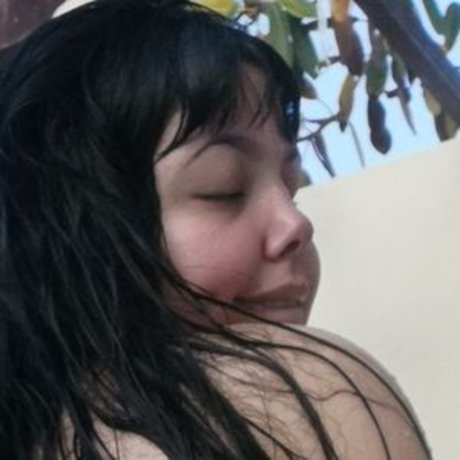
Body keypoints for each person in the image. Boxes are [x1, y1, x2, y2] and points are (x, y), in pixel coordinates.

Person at [0, 0, 431, 458]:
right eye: (224, 189)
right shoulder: (319, 395)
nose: (296, 224)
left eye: (292, 190)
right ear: (68, 230)